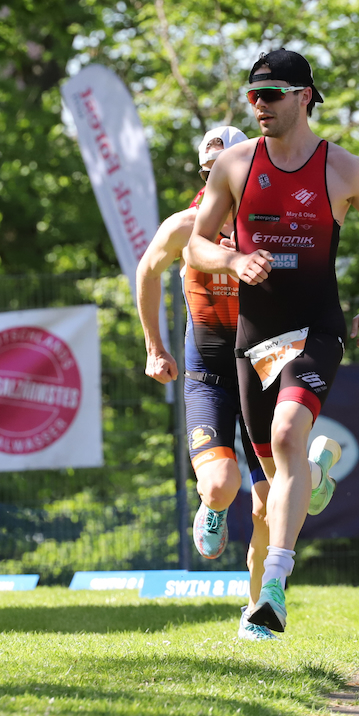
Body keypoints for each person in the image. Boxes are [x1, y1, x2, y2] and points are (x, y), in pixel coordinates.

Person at [185, 49, 359, 634]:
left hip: (315, 332)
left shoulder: (346, 169)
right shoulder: (234, 164)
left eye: (272, 94)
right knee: (276, 478)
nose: (259, 105)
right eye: (252, 95)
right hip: (254, 342)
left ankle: (274, 590)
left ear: (304, 97)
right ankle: (317, 475)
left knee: (286, 435)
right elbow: (196, 246)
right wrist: (233, 260)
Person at [135, 125, 278, 641]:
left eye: (233, 168)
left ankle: (258, 608)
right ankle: (212, 506)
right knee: (221, 485)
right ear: (203, 174)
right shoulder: (186, 226)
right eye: (211, 170)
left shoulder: (272, 226)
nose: (222, 179)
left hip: (261, 371)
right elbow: (147, 272)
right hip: (209, 372)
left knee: (270, 504)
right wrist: (154, 346)